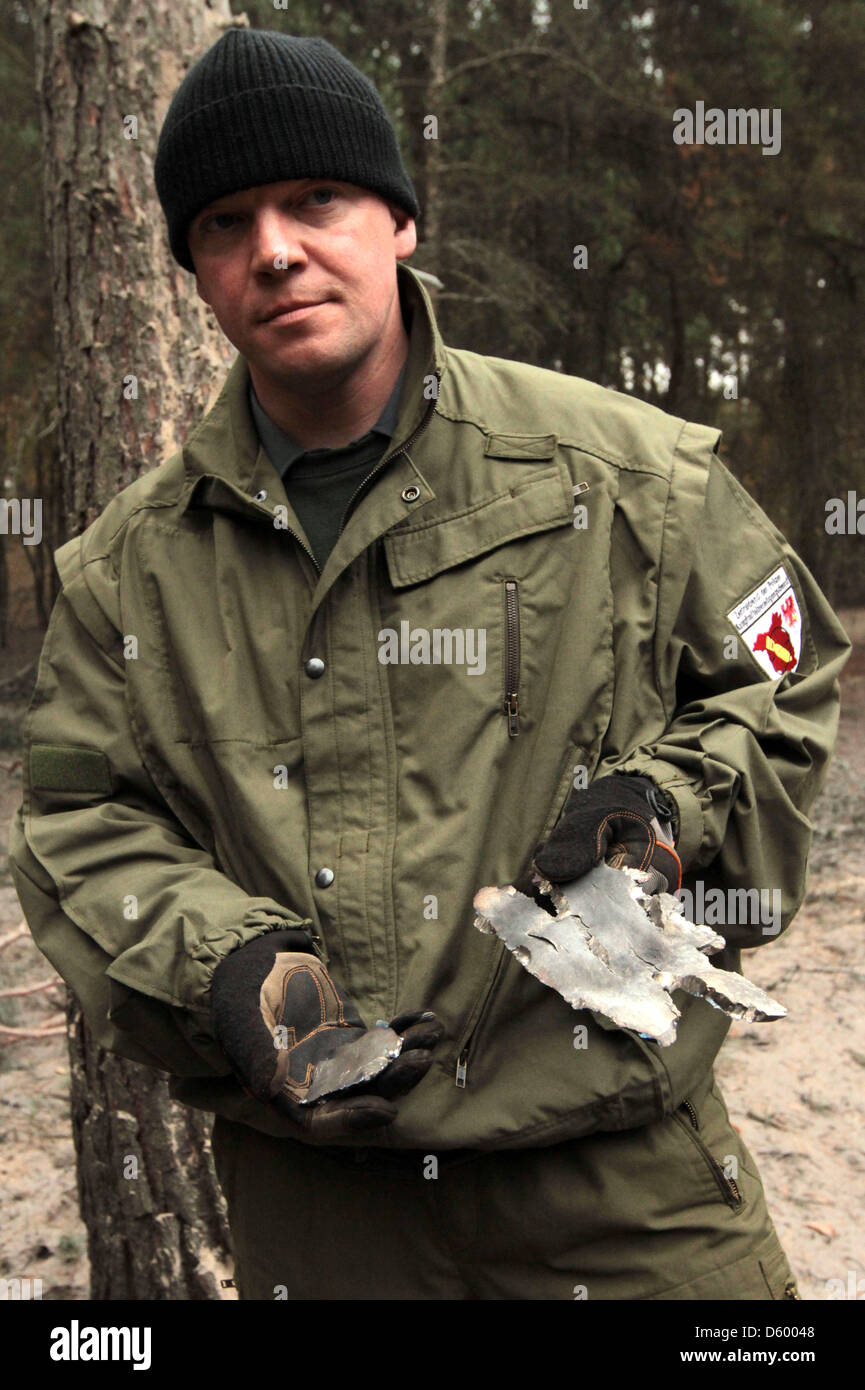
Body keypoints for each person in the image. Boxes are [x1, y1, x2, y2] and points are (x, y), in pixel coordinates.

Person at [9, 27, 851, 1301]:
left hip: (623, 1198)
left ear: (397, 219)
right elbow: (82, 818)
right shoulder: (127, 569)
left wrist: (666, 807)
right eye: (225, 223)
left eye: (317, 199)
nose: (275, 250)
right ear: (192, 271)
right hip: (326, 1216)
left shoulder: (628, 478)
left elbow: (780, 676)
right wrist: (229, 964)